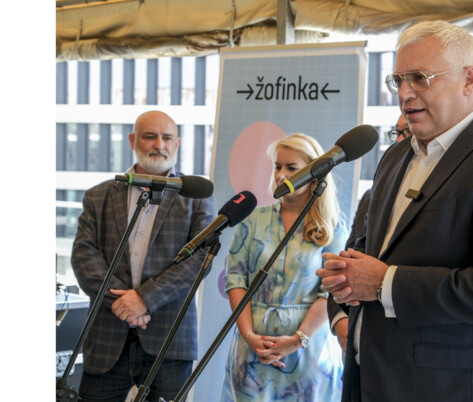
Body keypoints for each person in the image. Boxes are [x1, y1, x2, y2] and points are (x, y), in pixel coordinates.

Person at [317, 20, 473, 402]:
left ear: (468, 80)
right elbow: (378, 249)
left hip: (448, 390)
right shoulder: (396, 156)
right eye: (398, 80)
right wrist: (347, 273)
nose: (404, 94)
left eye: (420, 78)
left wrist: (384, 283)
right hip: (369, 379)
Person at [71, 110, 215, 401]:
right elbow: (84, 255)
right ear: (132, 140)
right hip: (106, 335)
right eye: (150, 136)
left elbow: (199, 260)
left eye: (167, 138)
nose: (159, 145)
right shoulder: (98, 195)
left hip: (169, 339)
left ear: (177, 143)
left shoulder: (196, 196)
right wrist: (123, 304)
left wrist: (145, 299)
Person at [221, 134, 346, 401]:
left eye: (292, 168)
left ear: (315, 173)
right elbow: (236, 280)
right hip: (252, 351)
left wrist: (298, 339)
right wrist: (249, 337)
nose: (281, 175)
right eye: (278, 166)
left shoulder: (333, 228)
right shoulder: (252, 220)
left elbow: (330, 293)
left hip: (308, 353)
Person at [328, 113, 411, 352]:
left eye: (407, 132)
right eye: (397, 133)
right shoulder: (371, 196)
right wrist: (339, 319)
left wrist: (383, 281)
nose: (399, 140)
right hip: (359, 352)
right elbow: (349, 262)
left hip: (402, 347)